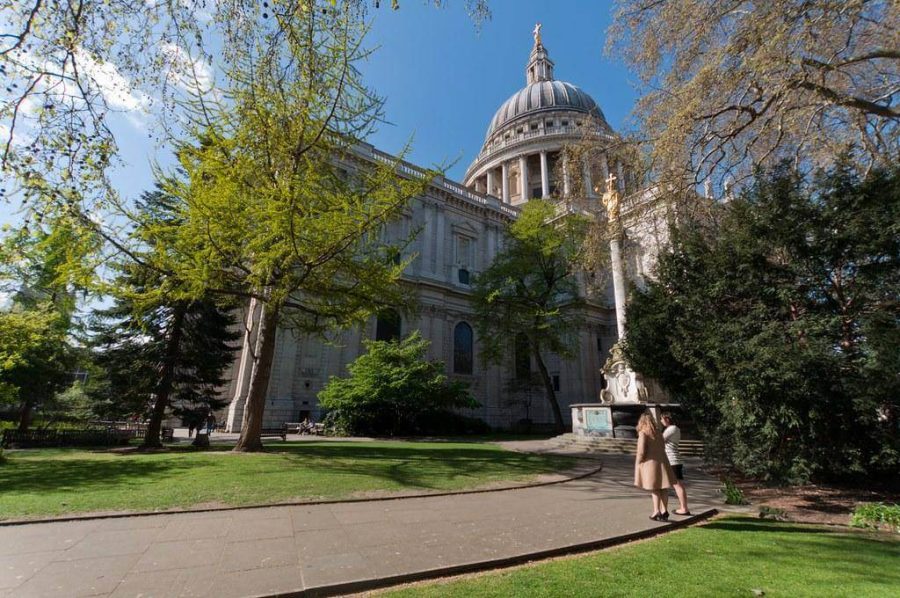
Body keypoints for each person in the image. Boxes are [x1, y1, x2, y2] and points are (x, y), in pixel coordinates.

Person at [634, 411, 676, 521]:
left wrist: (639, 461)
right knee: (663, 488)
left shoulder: (643, 433)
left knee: (655, 488)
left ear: (641, 422)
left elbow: (641, 451)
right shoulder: (658, 432)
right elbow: (663, 446)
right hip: (662, 461)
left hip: (650, 463)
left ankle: (656, 511)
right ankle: (664, 510)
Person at [661, 412, 691, 515]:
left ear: (667, 419)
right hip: (674, 459)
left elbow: (660, 440)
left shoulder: (671, 429)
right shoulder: (676, 429)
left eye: (662, 419)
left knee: (677, 485)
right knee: (678, 485)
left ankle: (684, 508)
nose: (661, 421)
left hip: (672, 460)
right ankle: (683, 507)